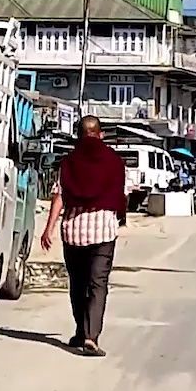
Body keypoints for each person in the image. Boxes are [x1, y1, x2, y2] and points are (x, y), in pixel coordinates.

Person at [40, 116, 126, 357]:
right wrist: (119, 216)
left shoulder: (69, 162)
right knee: (98, 284)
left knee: (78, 285)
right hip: (104, 231)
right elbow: (121, 195)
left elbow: (59, 196)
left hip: (74, 233)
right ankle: (90, 337)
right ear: (100, 135)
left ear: (78, 135)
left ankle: (80, 330)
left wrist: (48, 228)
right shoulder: (114, 161)